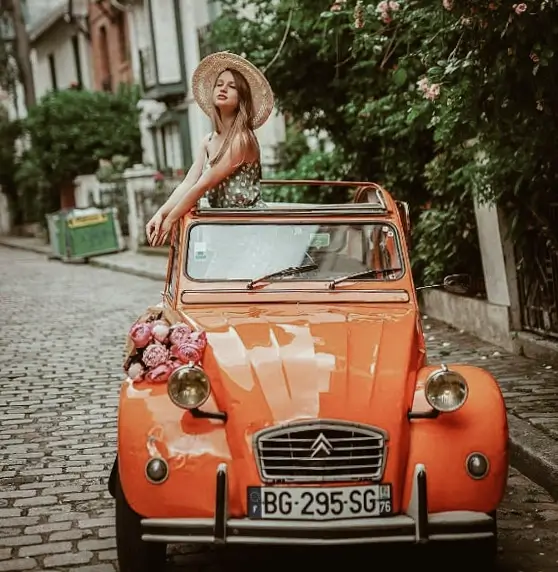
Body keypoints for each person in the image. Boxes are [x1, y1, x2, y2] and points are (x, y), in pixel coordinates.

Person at [146, 51, 274, 247]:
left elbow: (203, 185)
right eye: (219, 84)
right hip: (220, 228)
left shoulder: (242, 140)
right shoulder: (208, 140)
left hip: (249, 230)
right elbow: (189, 183)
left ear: (242, 99)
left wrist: (171, 219)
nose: (223, 89)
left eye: (232, 86)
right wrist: (160, 213)